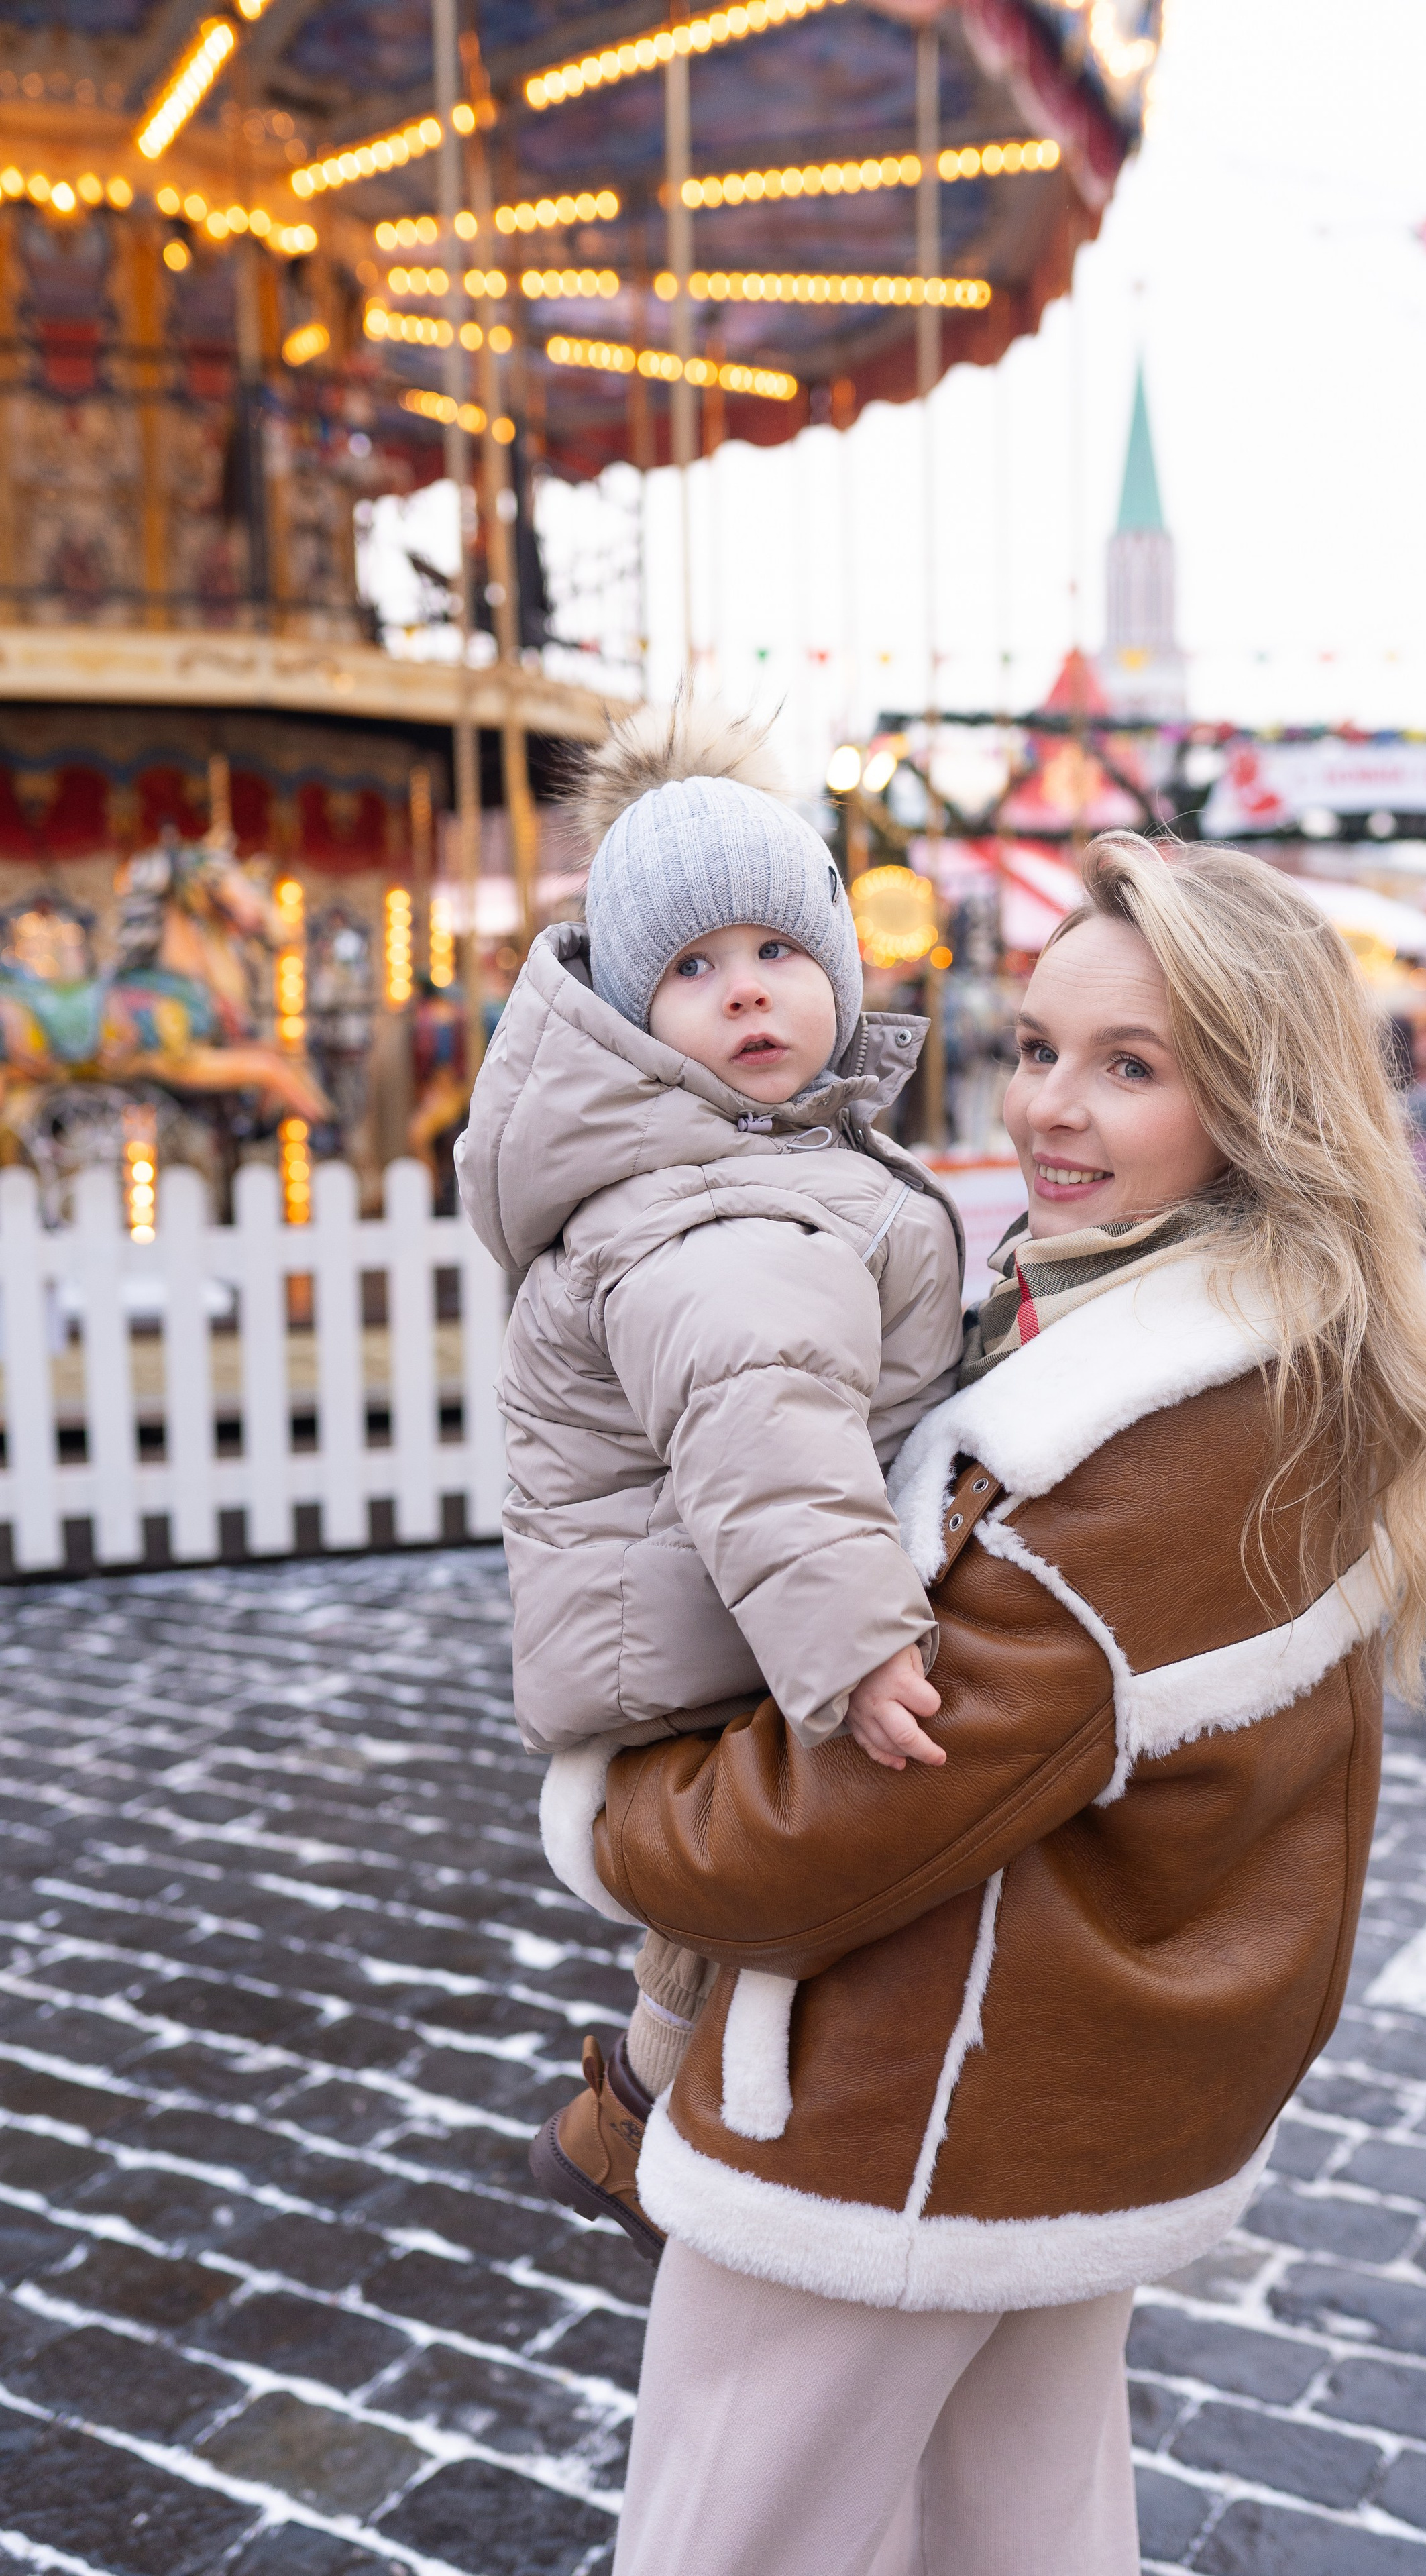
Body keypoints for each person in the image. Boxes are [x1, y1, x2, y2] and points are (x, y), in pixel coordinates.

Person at [539, 836, 1426, 2576]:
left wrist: (610, 1803)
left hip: (901, 2105)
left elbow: (841, 1821)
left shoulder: (1137, 1430)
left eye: (1131, 1068)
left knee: (727, 2540)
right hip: (1043, 2098)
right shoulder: (1239, 1349)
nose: (1049, 1106)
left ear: (1256, 1104)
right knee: (1018, 2531)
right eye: (1036, 1047)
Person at [455, 700, 965, 2253]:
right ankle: (657, 2132)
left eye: (774, 951)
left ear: (839, 970)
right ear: (627, 1011)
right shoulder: (709, 1200)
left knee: (717, 1925)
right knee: (752, 1905)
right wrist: (854, 1633)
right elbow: (762, 1412)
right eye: (689, 967)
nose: (743, 988)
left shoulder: (757, 1156)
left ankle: (634, 2117)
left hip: (687, 1606)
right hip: (720, 1628)